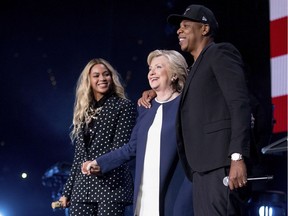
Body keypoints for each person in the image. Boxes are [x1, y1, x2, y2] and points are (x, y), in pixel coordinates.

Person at [138, 4, 251, 216]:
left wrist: (237, 156)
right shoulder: (194, 69)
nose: (179, 31)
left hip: (221, 164)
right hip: (200, 169)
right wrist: (155, 92)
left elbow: (239, 104)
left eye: (186, 26)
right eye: (179, 27)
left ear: (204, 29)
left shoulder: (220, 53)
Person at [82, 49, 194, 216]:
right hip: (145, 191)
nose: (152, 72)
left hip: (176, 189)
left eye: (158, 67)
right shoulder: (145, 107)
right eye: (150, 68)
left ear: (174, 74)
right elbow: (132, 147)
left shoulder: (187, 104)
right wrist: (100, 162)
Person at [58, 58, 137, 216]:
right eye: (96, 75)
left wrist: (99, 165)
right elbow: (79, 156)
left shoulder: (123, 106)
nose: (102, 78)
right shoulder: (84, 111)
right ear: (88, 80)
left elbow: (121, 149)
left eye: (106, 74)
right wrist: (67, 191)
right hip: (82, 189)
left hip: (111, 186)